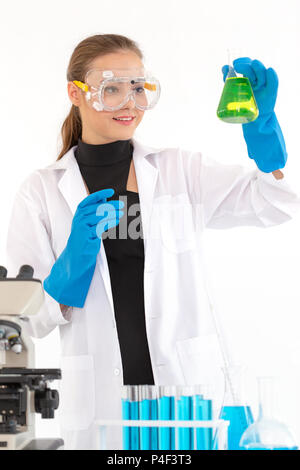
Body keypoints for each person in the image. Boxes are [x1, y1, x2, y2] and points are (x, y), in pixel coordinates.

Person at [5, 33, 300, 450]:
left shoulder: (180, 170)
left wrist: (265, 140)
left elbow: (276, 203)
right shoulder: (41, 192)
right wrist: (72, 264)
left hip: (183, 400)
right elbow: (26, 321)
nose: (129, 103)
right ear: (76, 93)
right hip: (101, 407)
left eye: (139, 89)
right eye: (111, 89)